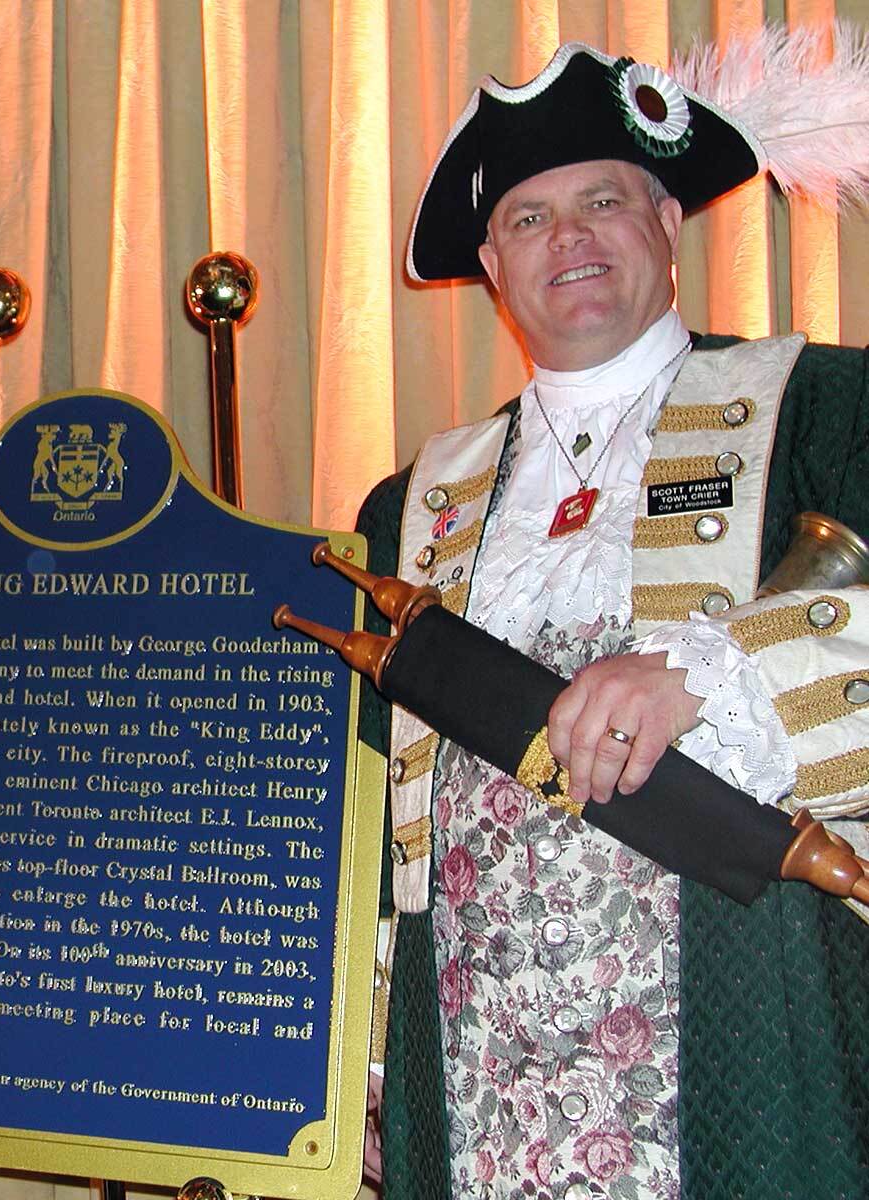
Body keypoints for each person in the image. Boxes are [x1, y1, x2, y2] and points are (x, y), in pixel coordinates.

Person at [358, 42, 869, 1200]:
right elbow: (374, 805)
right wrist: (368, 1060)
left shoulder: (830, 406)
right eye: (531, 219)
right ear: (492, 264)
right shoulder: (409, 506)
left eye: (602, 200)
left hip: (755, 1035)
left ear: (667, 223)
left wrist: (713, 672)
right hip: (478, 1068)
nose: (571, 239)